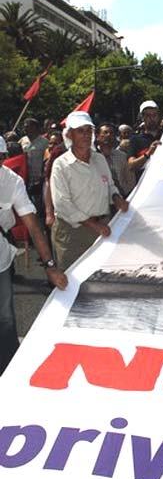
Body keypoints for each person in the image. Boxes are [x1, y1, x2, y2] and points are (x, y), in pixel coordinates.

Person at [0, 136, 67, 373]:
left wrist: (49, 265)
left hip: (0, 261)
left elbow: (32, 223)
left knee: (5, 320)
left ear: (3, 159)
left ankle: (9, 373)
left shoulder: (12, 182)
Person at [50, 111, 129, 270]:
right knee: (72, 281)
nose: (86, 135)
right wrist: (94, 226)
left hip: (102, 227)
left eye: (88, 130)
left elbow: (110, 186)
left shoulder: (99, 159)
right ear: (70, 134)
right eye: (80, 131)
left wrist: (116, 198)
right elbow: (63, 204)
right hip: (73, 233)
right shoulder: (61, 165)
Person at [96, 122, 136, 198]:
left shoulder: (122, 156)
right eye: (105, 132)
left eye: (111, 133)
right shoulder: (91, 157)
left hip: (121, 197)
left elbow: (130, 180)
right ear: (97, 136)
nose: (108, 135)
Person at [127, 101, 162, 180]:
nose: (152, 119)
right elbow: (131, 166)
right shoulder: (135, 139)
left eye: (154, 115)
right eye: (148, 115)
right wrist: (148, 153)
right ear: (143, 117)